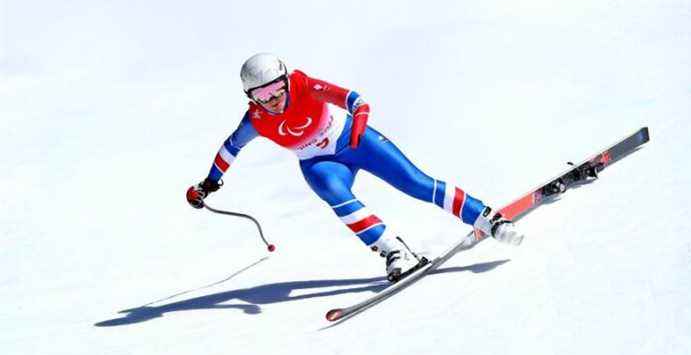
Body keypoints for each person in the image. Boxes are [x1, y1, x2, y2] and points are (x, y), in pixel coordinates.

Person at [187, 53, 522, 282]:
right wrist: (209, 184)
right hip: (320, 163)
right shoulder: (256, 120)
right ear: (251, 98)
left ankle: (486, 218)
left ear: (288, 82)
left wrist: (359, 125)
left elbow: (354, 100)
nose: (273, 98)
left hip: (353, 140)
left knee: (414, 182)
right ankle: (394, 251)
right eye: (263, 94)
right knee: (337, 197)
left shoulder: (304, 85)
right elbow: (230, 148)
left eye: (277, 88)